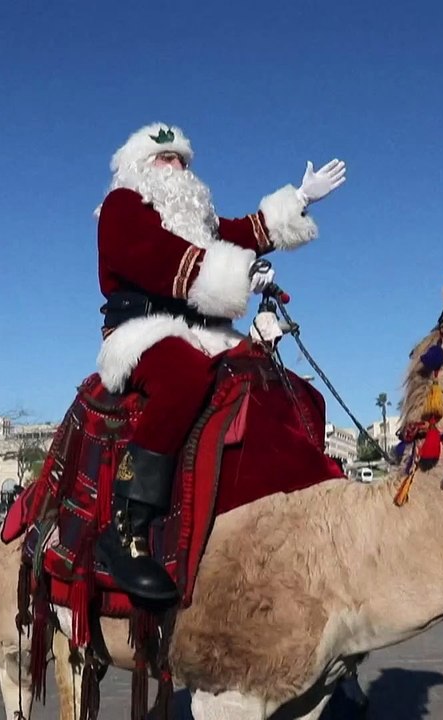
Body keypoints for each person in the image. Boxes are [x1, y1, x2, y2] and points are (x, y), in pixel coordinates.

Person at [92, 122, 347, 602]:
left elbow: (239, 234)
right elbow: (155, 257)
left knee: (285, 386)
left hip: (206, 332)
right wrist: (238, 271)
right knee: (183, 379)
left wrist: (299, 198)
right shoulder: (122, 207)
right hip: (145, 330)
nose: (178, 167)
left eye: (182, 159)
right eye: (166, 158)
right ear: (138, 166)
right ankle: (126, 527)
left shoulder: (196, 218)